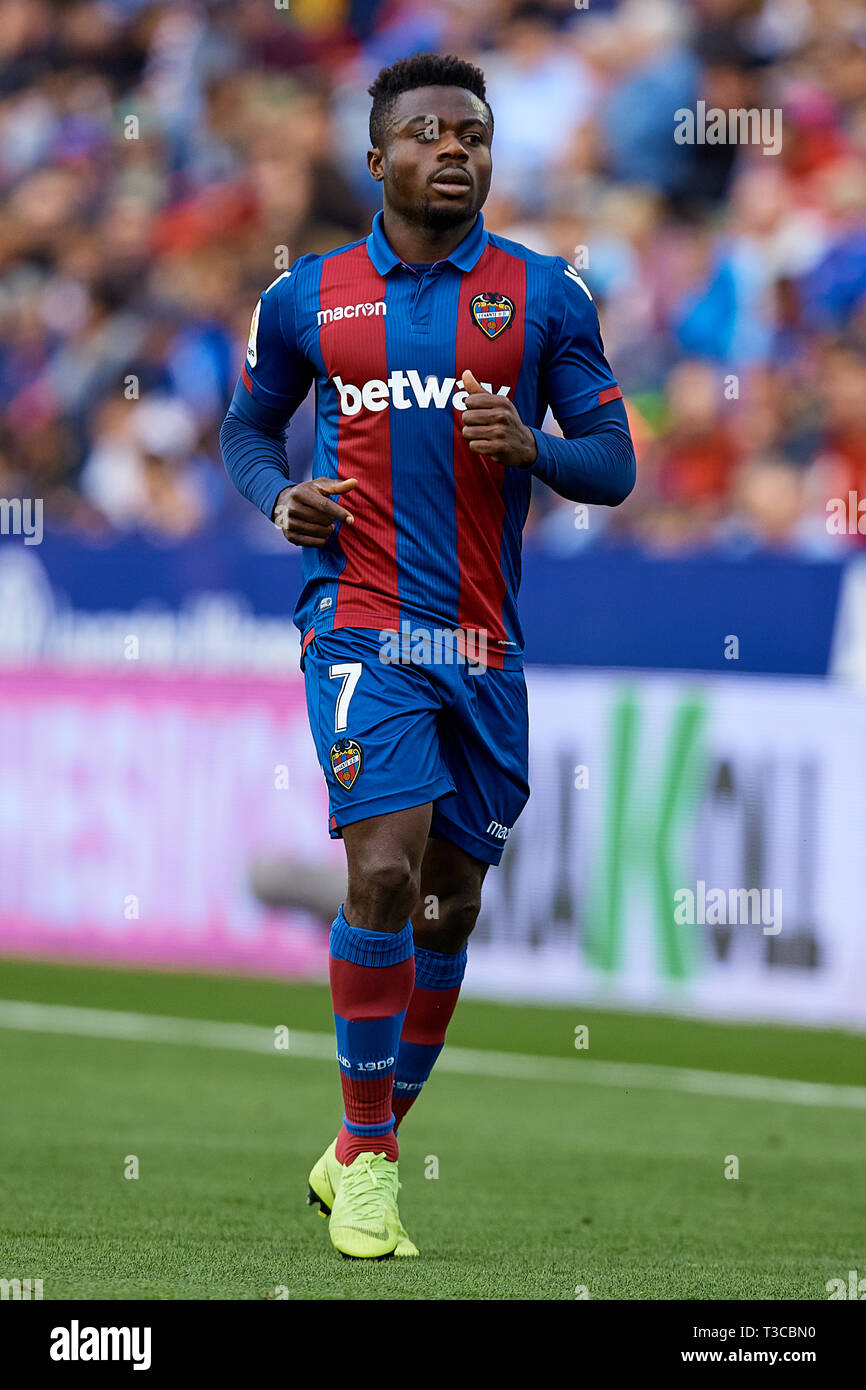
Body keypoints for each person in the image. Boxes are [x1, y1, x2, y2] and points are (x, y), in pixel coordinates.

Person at [220, 51, 635, 1260]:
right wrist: (278, 499)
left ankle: (355, 1139)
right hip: (357, 626)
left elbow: (611, 460)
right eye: (428, 131)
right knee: (385, 877)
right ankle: (374, 1176)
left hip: (482, 644)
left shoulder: (544, 294)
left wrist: (535, 452)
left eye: (473, 131)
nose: (454, 147)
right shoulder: (306, 296)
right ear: (377, 158)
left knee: (449, 913)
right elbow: (250, 426)